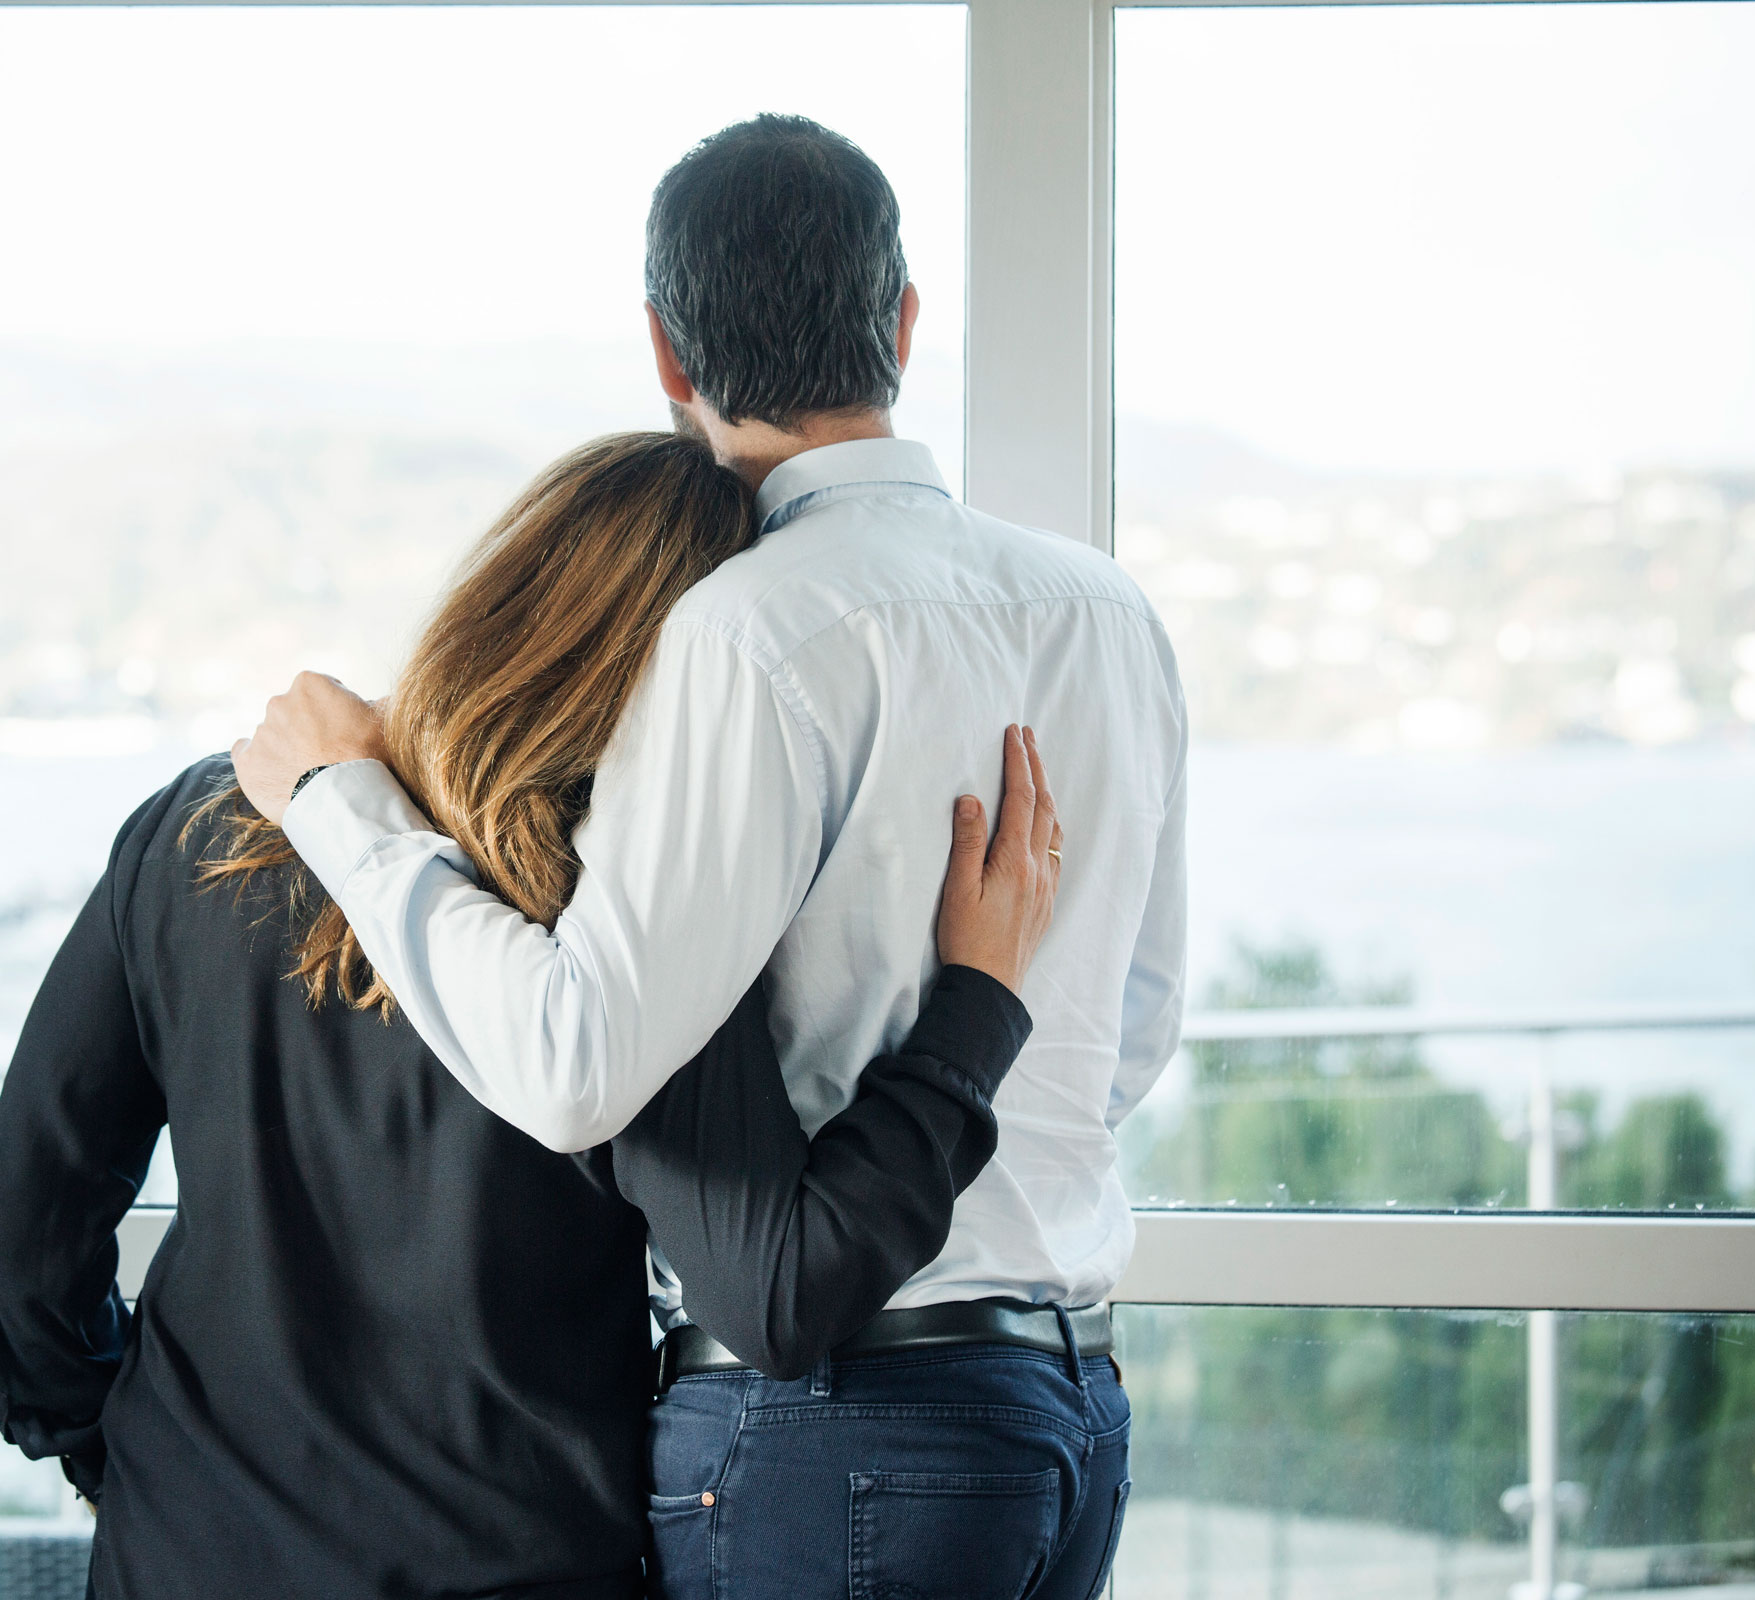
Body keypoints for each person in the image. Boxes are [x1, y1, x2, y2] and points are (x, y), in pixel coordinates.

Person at [234, 114, 1188, 1598]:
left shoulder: (746, 631)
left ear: (667, 354)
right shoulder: (1107, 612)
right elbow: (1132, 1034)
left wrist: (348, 809)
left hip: (843, 1428)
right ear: (904, 325)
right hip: (1069, 1407)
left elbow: (574, 1062)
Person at [0, 431, 1069, 1600]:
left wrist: (118, 1454)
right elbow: (780, 1286)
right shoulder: (630, 925)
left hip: (184, 1559)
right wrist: (979, 1000)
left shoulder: (203, 831)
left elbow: (23, 1230)